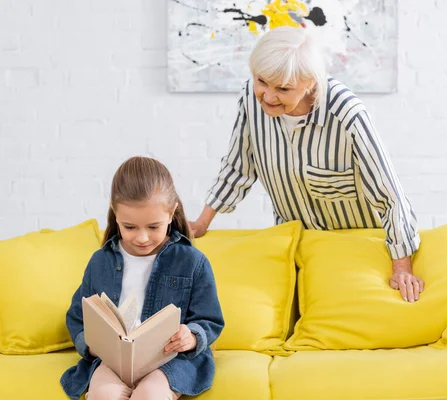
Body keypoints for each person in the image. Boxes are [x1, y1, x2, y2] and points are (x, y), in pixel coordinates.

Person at [190, 26, 424, 303]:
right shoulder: (251, 103)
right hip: (299, 249)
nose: (268, 96)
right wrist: (201, 223)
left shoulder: (346, 113)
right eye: (261, 81)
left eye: (283, 89)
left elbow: (389, 194)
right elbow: (237, 166)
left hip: (358, 250)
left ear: (310, 82)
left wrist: (401, 267)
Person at [60, 156, 224, 400]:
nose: (142, 238)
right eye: (130, 227)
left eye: (154, 227)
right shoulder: (100, 262)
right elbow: (78, 315)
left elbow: (209, 319)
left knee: (150, 395)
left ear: (171, 214)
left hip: (169, 361)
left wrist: (190, 337)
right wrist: (92, 345)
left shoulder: (192, 261)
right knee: (102, 395)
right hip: (114, 361)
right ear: (115, 215)